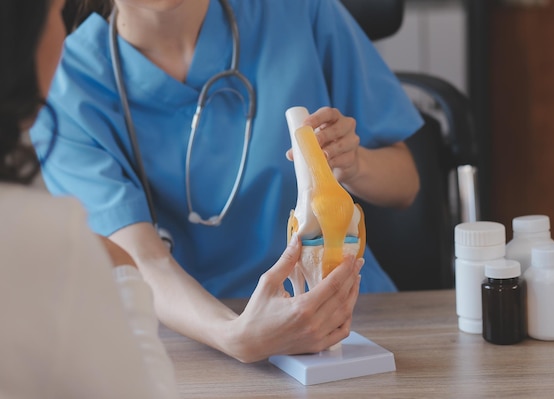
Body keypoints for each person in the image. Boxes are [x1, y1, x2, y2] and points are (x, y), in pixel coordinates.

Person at [30, 0, 423, 362]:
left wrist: (353, 165)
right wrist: (235, 335)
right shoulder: (65, 83)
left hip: (355, 314)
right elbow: (141, 260)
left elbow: (406, 185)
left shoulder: (300, 11)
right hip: (201, 338)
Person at [0, 0, 181, 397]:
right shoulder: (47, 241)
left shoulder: (304, 15)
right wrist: (124, 279)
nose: (64, 32)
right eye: (55, 13)